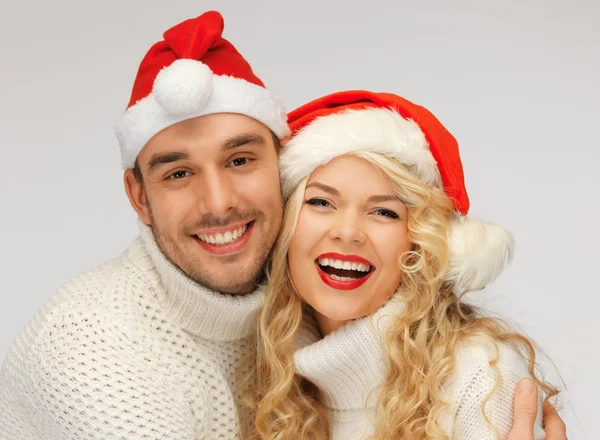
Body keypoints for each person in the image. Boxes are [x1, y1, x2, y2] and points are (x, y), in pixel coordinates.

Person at [0, 11, 566, 440]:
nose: (218, 202)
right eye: (177, 173)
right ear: (138, 197)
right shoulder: (94, 353)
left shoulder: (474, 375)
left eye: (241, 159)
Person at [251, 91, 562, 439]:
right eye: (321, 202)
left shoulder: (480, 374)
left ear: (419, 240)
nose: (348, 232)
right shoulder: (270, 378)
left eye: (384, 212)